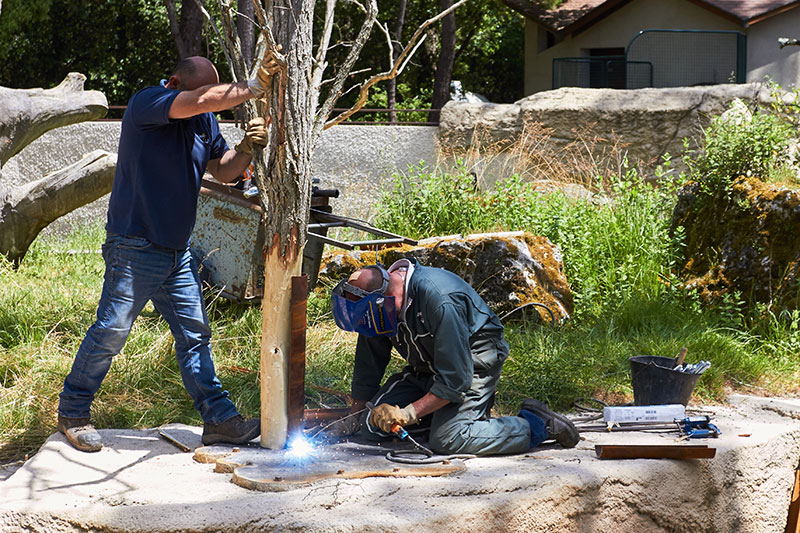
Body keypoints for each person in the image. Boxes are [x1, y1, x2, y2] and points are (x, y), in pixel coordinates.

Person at [56, 52, 279, 452]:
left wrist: (246, 147)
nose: (208, 101)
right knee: (111, 330)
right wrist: (254, 86)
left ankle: (219, 420)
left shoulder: (203, 119)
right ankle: (73, 411)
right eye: (203, 93)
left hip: (178, 251)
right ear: (174, 83)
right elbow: (201, 100)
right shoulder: (147, 103)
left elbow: (223, 169)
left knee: (195, 335)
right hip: (134, 244)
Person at [328, 259, 580, 456]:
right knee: (372, 427)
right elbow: (368, 363)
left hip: (473, 365)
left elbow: (456, 379)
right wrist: (355, 417)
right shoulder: (379, 307)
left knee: (448, 438)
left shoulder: (438, 300)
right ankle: (442, 416)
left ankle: (537, 424)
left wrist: (408, 413)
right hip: (427, 368)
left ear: (383, 298)